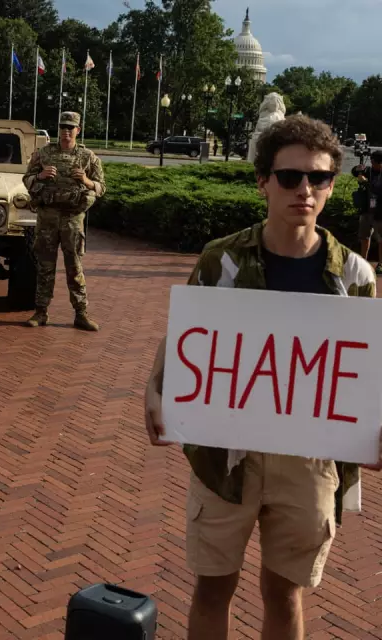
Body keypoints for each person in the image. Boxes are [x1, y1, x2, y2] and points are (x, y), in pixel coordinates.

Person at [143, 115, 382, 640]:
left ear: (331, 186)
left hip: (311, 459)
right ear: (263, 182)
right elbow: (185, 340)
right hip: (225, 457)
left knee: (285, 592)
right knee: (212, 588)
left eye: (318, 178)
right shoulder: (221, 261)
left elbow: (365, 368)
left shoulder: (354, 275)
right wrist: (156, 389)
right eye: (291, 177)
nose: (305, 190)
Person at [22, 111, 105, 331]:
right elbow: (26, 179)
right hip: (47, 219)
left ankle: (81, 314)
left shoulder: (88, 157)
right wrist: (39, 177)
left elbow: (101, 188)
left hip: (72, 221)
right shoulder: (43, 154)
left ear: (78, 130)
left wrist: (86, 180)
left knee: (74, 268)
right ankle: (40, 312)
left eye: (71, 128)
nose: (66, 132)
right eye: (62, 127)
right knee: (44, 267)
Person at [351, 149, 382, 274]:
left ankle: (380, 264)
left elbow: (378, 191)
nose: (373, 164)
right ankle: (363, 260)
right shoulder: (368, 171)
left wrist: (367, 183)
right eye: (372, 162)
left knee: (381, 239)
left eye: (376, 163)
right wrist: (358, 169)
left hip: (380, 212)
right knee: (364, 237)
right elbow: (354, 172)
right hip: (366, 210)